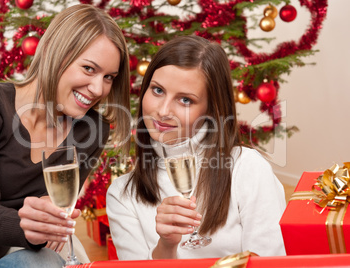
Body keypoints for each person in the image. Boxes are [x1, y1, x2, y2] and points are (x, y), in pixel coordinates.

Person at [0, 4, 131, 268]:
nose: (98, 88)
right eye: (89, 69)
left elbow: (57, 206)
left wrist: (50, 217)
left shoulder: (90, 130)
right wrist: (34, 228)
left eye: (109, 77)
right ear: (52, 53)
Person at [106, 35, 286, 260]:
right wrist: (167, 246)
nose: (163, 111)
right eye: (158, 90)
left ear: (211, 110)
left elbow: (272, 262)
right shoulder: (122, 195)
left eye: (185, 100)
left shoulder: (247, 168)